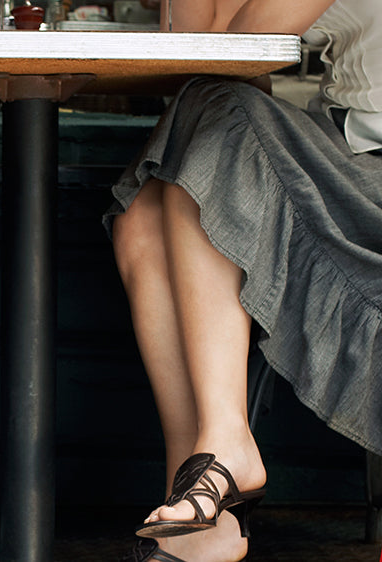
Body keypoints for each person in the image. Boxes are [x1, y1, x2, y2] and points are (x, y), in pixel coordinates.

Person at [107, 0, 382, 560]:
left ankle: (222, 465)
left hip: (370, 170)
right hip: (348, 149)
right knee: (144, 221)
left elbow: (233, 49)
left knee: (215, 113)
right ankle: (208, 495)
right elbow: (205, 45)